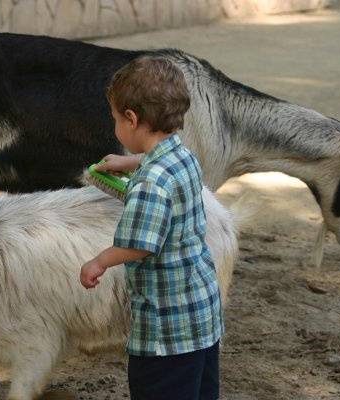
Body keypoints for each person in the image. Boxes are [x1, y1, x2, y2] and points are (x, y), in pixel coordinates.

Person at [79, 57, 223, 400]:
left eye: (116, 119)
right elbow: (158, 160)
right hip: (201, 314)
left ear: (131, 119)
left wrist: (99, 261)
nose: (115, 126)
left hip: (166, 332)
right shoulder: (185, 156)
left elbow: (140, 244)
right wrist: (127, 162)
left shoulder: (150, 186)